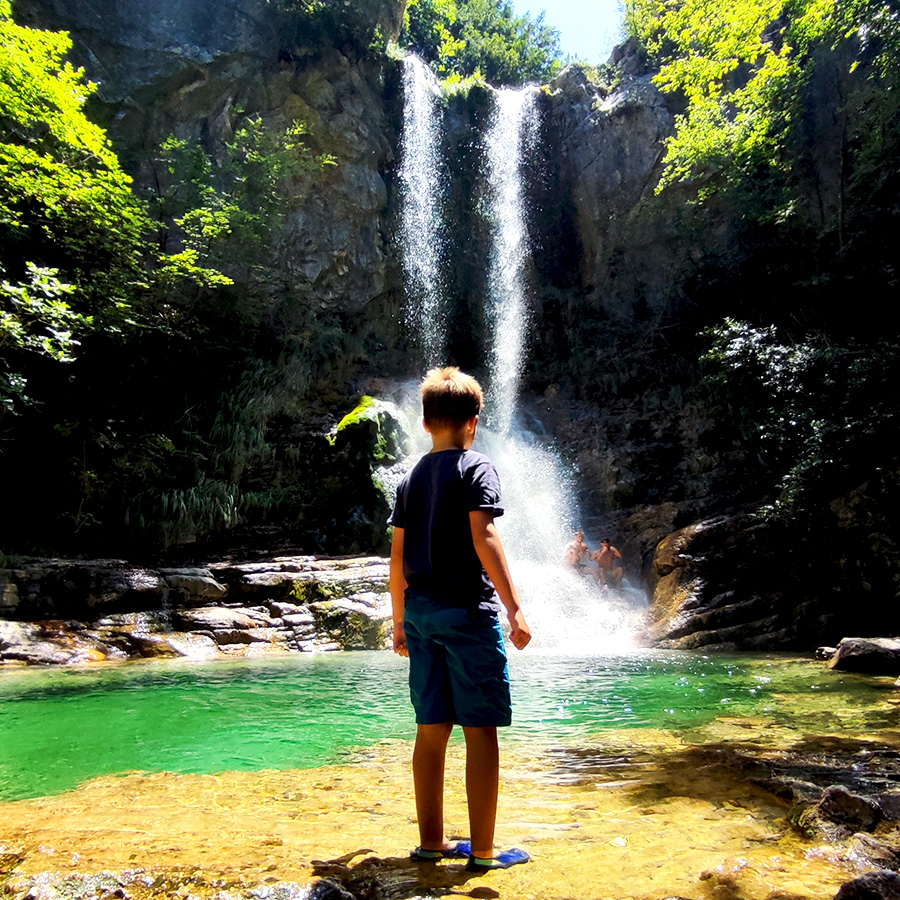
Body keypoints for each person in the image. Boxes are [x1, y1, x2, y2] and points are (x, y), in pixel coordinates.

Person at [388, 366, 532, 873]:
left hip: (422, 615)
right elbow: (483, 536)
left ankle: (432, 843)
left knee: (430, 729)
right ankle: (485, 852)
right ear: (474, 422)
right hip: (469, 614)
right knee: (480, 730)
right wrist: (514, 606)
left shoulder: (409, 478)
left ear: (426, 423)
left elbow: (397, 557)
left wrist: (399, 621)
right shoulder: (476, 467)